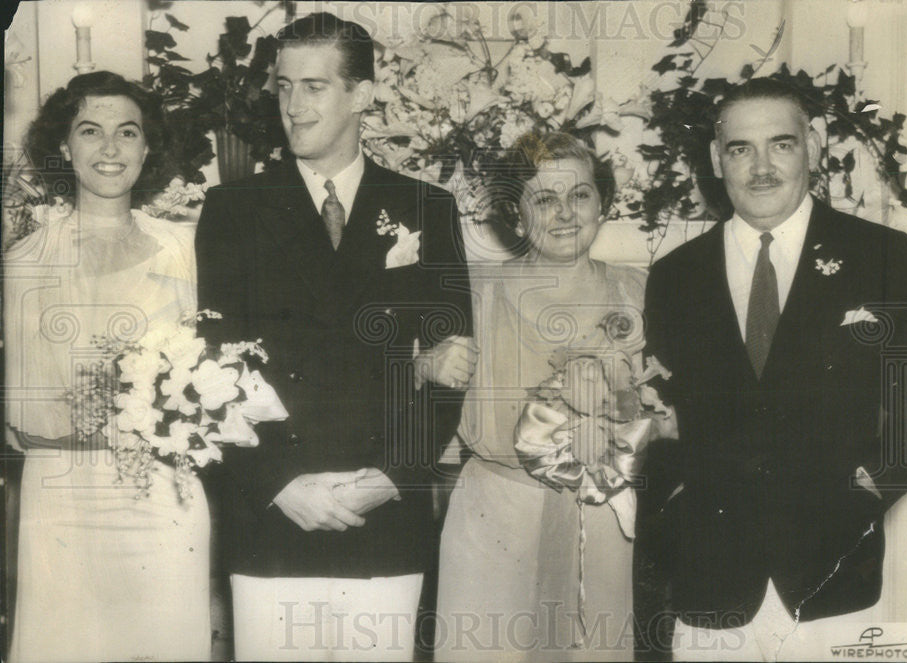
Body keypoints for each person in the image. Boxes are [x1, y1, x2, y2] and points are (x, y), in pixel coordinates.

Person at [195, 12, 473, 662]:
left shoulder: (426, 210)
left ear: (362, 94)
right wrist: (278, 483)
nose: (293, 106)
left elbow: (449, 369)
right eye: (284, 86)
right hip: (272, 517)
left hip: (383, 519)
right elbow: (209, 369)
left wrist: (387, 479)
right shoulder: (233, 212)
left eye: (314, 86)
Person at [639, 77, 907, 661]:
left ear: (813, 145)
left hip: (836, 574)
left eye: (781, 144)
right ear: (717, 159)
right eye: (740, 148)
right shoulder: (674, 275)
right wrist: (677, 499)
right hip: (711, 582)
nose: (760, 167)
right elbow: (658, 415)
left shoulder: (883, 256)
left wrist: (871, 491)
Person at [436, 131, 671, 662]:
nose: (565, 213)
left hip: (602, 519)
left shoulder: (642, 292)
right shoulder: (471, 292)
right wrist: (421, 363)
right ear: (515, 214)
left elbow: (674, 408)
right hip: (493, 521)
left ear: (601, 202)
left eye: (580, 195)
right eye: (545, 199)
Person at [3, 71, 211, 662]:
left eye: (127, 132)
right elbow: (20, 415)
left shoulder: (186, 249)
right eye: (90, 131)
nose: (111, 148)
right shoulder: (24, 263)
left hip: (163, 494)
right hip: (62, 498)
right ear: (64, 147)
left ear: (148, 149)